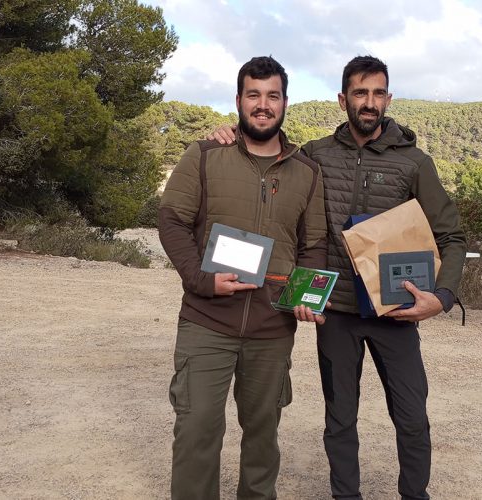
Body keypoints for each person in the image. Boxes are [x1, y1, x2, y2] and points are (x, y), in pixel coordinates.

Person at [211, 55, 466, 500]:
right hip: (338, 314)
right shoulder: (315, 155)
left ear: (389, 98)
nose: (369, 103)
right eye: (360, 93)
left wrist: (441, 297)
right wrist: (230, 136)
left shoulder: (415, 162)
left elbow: (452, 235)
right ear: (342, 98)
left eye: (378, 93)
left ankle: (415, 495)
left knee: (411, 417)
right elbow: (267, 150)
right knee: (340, 419)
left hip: (395, 310)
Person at [158, 55, 327, 500]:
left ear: (285, 103)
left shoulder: (307, 173)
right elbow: (172, 220)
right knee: (196, 430)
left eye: (272, 96)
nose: (263, 105)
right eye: (254, 94)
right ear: (238, 100)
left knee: (262, 439)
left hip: (272, 329)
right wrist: (199, 280)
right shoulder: (205, 155)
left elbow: (313, 246)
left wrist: (305, 296)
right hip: (206, 322)